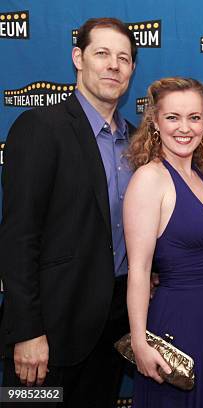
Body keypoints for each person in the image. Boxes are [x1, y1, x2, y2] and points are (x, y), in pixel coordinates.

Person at [0, 17, 136, 407]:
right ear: (78, 58)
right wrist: (26, 331)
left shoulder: (137, 142)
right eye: (102, 54)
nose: (113, 65)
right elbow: (18, 236)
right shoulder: (41, 127)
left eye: (123, 58)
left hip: (112, 328)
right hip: (48, 335)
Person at [124, 77, 203, 407]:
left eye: (194, 117)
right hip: (178, 326)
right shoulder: (150, 179)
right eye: (173, 117)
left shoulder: (200, 176)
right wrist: (139, 343)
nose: (184, 128)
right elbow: (139, 270)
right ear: (155, 123)